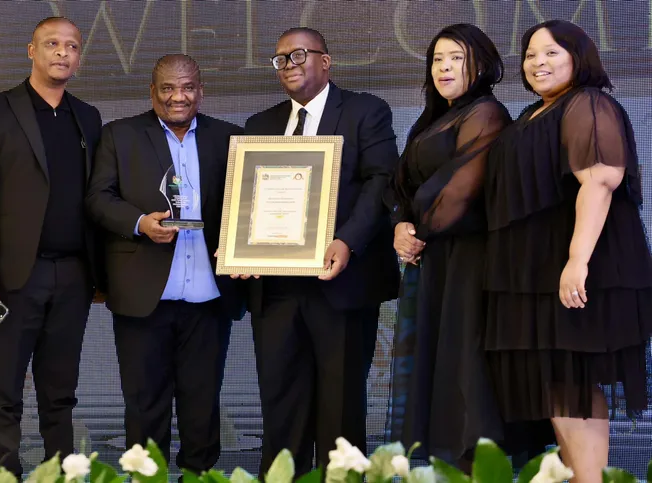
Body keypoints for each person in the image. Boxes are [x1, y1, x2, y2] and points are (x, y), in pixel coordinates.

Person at [484, 19, 652, 483]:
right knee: (556, 382)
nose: (538, 62)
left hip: (578, 266)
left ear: (579, 57)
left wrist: (577, 260)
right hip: (535, 271)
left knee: (571, 380)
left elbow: (600, 180)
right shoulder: (531, 114)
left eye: (551, 52)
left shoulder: (588, 103)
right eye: (530, 54)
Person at [239, 27, 400, 476]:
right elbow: (246, 203)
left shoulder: (366, 111)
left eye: (298, 55)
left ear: (325, 62)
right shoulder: (259, 125)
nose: (288, 66)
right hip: (276, 292)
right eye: (280, 59)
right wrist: (241, 249)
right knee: (281, 412)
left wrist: (347, 240)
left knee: (341, 412)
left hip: (342, 286)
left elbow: (381, 182)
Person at [385, 23, 535, 471]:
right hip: (435, 262)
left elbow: (460, 192)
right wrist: (400, 225)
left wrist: (417, 230)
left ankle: (475, 470)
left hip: (471, 263)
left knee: (466, 372)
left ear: (482, 64)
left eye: (456, 58)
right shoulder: (432, 118)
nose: (444, 67)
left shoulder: (487, 113)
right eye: (437, 59)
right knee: (438, 372)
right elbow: (399, 188)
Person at [0, 16, 103, 479]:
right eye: (52, 44)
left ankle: (57, 471)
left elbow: (97, 199)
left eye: (72, 46)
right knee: (4, 387)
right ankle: (3, 471)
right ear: (31, 51)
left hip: (74, 275)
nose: (62, 53)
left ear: (79, 57)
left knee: (60, 390)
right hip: (12, 276)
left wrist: (101, 274)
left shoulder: (88, 117)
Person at [85, 54, 244, 474]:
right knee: (144, 406)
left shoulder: (231, 138)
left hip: (210, 298)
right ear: (152, 91)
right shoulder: (119, 135)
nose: (179, 97)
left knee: (202, 406)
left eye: (188, 87)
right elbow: (98, 199)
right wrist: (140, 223)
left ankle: (200, 479)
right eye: (168, 88)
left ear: (201, 91)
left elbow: (250, 204)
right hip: (143, 298)